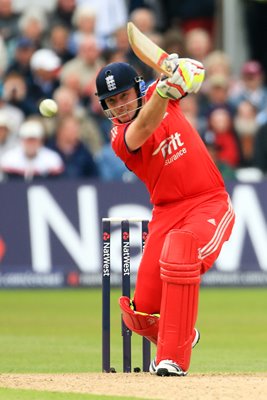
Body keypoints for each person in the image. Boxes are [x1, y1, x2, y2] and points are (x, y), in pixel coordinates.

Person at [95, 56, 235, 377]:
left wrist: (183, 68)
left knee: (181, 253)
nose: (119, 106)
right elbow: (143, 127)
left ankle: (172, 358)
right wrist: (166, 90)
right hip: (166, 212)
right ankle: (181, 332)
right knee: (140, 314)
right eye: (111, 101)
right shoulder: (119, 137)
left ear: (139, 90)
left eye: (124, 96)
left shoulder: (162, 92)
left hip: (207, 201)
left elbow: (196, 76)